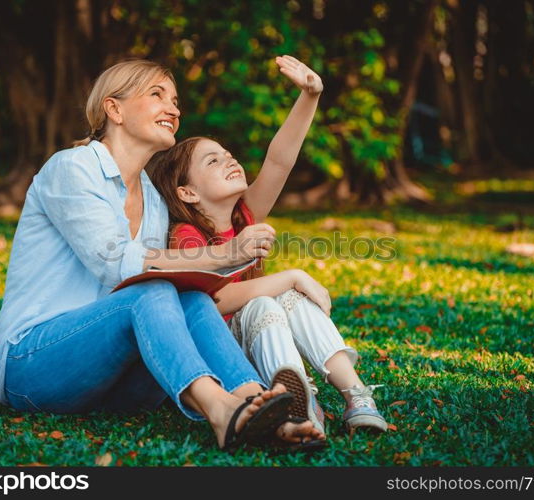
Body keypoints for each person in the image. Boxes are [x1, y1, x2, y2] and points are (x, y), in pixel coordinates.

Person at [0, 59, 325, 452]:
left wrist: (310, 96)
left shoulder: (153, 199)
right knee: (149, 292)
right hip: (34, 366)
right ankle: (222, 411)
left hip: (112, 381)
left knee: (191, 298)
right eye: (157, 95)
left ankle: (260, 406)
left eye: (175, 100)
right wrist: (224, 254)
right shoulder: (73, 168)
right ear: (113, 110)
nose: (174, 109)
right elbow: (116, 264)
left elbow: (274, 168)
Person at [149, 55, 388, 436]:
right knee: (267, 298)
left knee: (289, 300)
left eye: (228, 155)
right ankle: (297, 402)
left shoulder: (245, 215)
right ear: (187, 192)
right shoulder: (186, 236)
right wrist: (291, 276)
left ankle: (356, 396)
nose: (230, 161)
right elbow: (215, 301)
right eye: (213, 161)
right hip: (226, 360)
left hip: (262, 339)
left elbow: (279, 161)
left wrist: (310, 95)